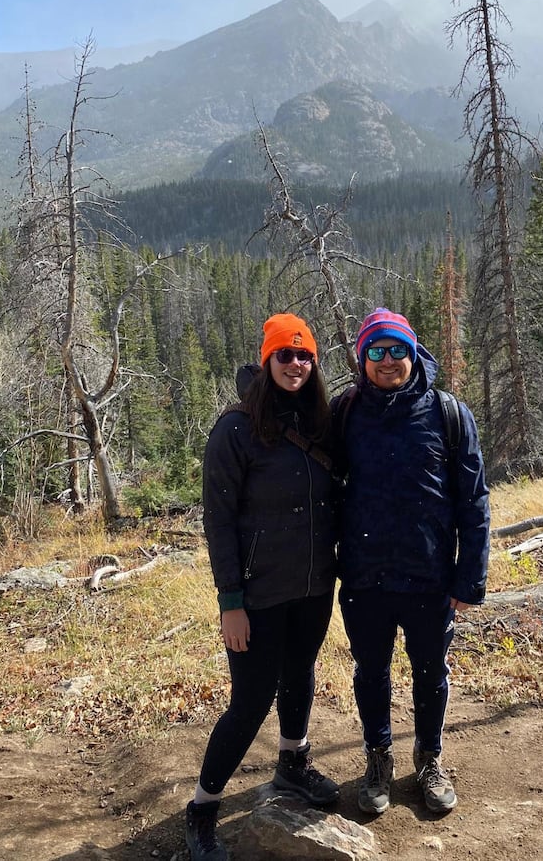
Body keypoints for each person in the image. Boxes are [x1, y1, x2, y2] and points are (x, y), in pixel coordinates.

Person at [186, 313, 340, 861]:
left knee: (301, 675)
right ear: (266, 359)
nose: (295, 365)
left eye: (305, 357)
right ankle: (203, 808)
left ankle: (292, 764)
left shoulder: (321, 421)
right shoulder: (234, 429)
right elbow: (218, 522)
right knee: (250, 702)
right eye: (284, 355)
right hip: (255, 595)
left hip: (314, 586)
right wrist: (231, 603)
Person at [334, 308, 490, 816]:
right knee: (370, 671)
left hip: (429, 577)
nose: (387, 360)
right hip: (365, 576)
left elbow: (474, 501)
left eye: (397, 349)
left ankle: (429, 759)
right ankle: (378, 758)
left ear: (413, 352)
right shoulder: (344, 413)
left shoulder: (447, 413)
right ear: (362, 358)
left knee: (431, 672)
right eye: (376, 351)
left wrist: (470, 579)